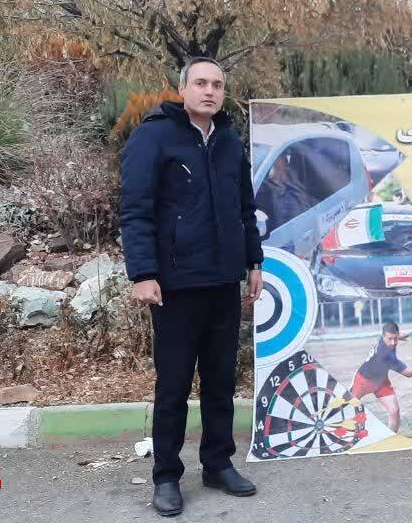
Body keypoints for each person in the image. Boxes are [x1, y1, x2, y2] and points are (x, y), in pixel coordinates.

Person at [120, 57, 264, 517]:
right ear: (182, 88)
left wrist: (253, 260)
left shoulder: (229, 140)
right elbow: (135, 209)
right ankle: (166, 476)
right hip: (176, 285)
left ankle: (218, 464)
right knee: (174, 386)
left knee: (221, 382)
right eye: (200, 83)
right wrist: (143, 273)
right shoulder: (154, 136)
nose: (209, 91)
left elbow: (245, 207)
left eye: (217, 84)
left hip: (223, 281)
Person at [349, 321, 412, 432]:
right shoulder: (385, 355)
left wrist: (401, 336)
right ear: (383, 336)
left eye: (395, 338)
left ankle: (391, 436)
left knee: (394, 410)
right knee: (345, 406)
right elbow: (408, 373)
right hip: (363, 381)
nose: (393, 343)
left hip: (381, 381)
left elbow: (392, 336)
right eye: (390, 339)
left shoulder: (384, 337)